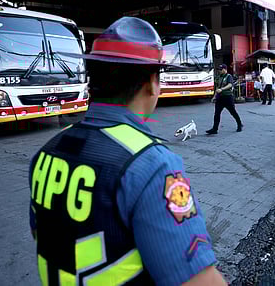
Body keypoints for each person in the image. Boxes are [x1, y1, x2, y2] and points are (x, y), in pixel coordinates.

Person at [28, 17, 228, 286]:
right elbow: (200, 282)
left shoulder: (46, 153)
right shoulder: (152, 164)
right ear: (152, 83)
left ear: (93, 79)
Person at [206, 64, 243, 134]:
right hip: (220, 98)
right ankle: (215, 129)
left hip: (228, 97)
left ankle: (239, 124)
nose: (219, 71)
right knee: (217, 114)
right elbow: (217, 88)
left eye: (221, 69)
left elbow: (230, 85)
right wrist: (214, 96)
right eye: (219, 69)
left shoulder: (229, 76)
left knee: (233, 112)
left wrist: (222, 89)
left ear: (225, 69)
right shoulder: (219, 77)